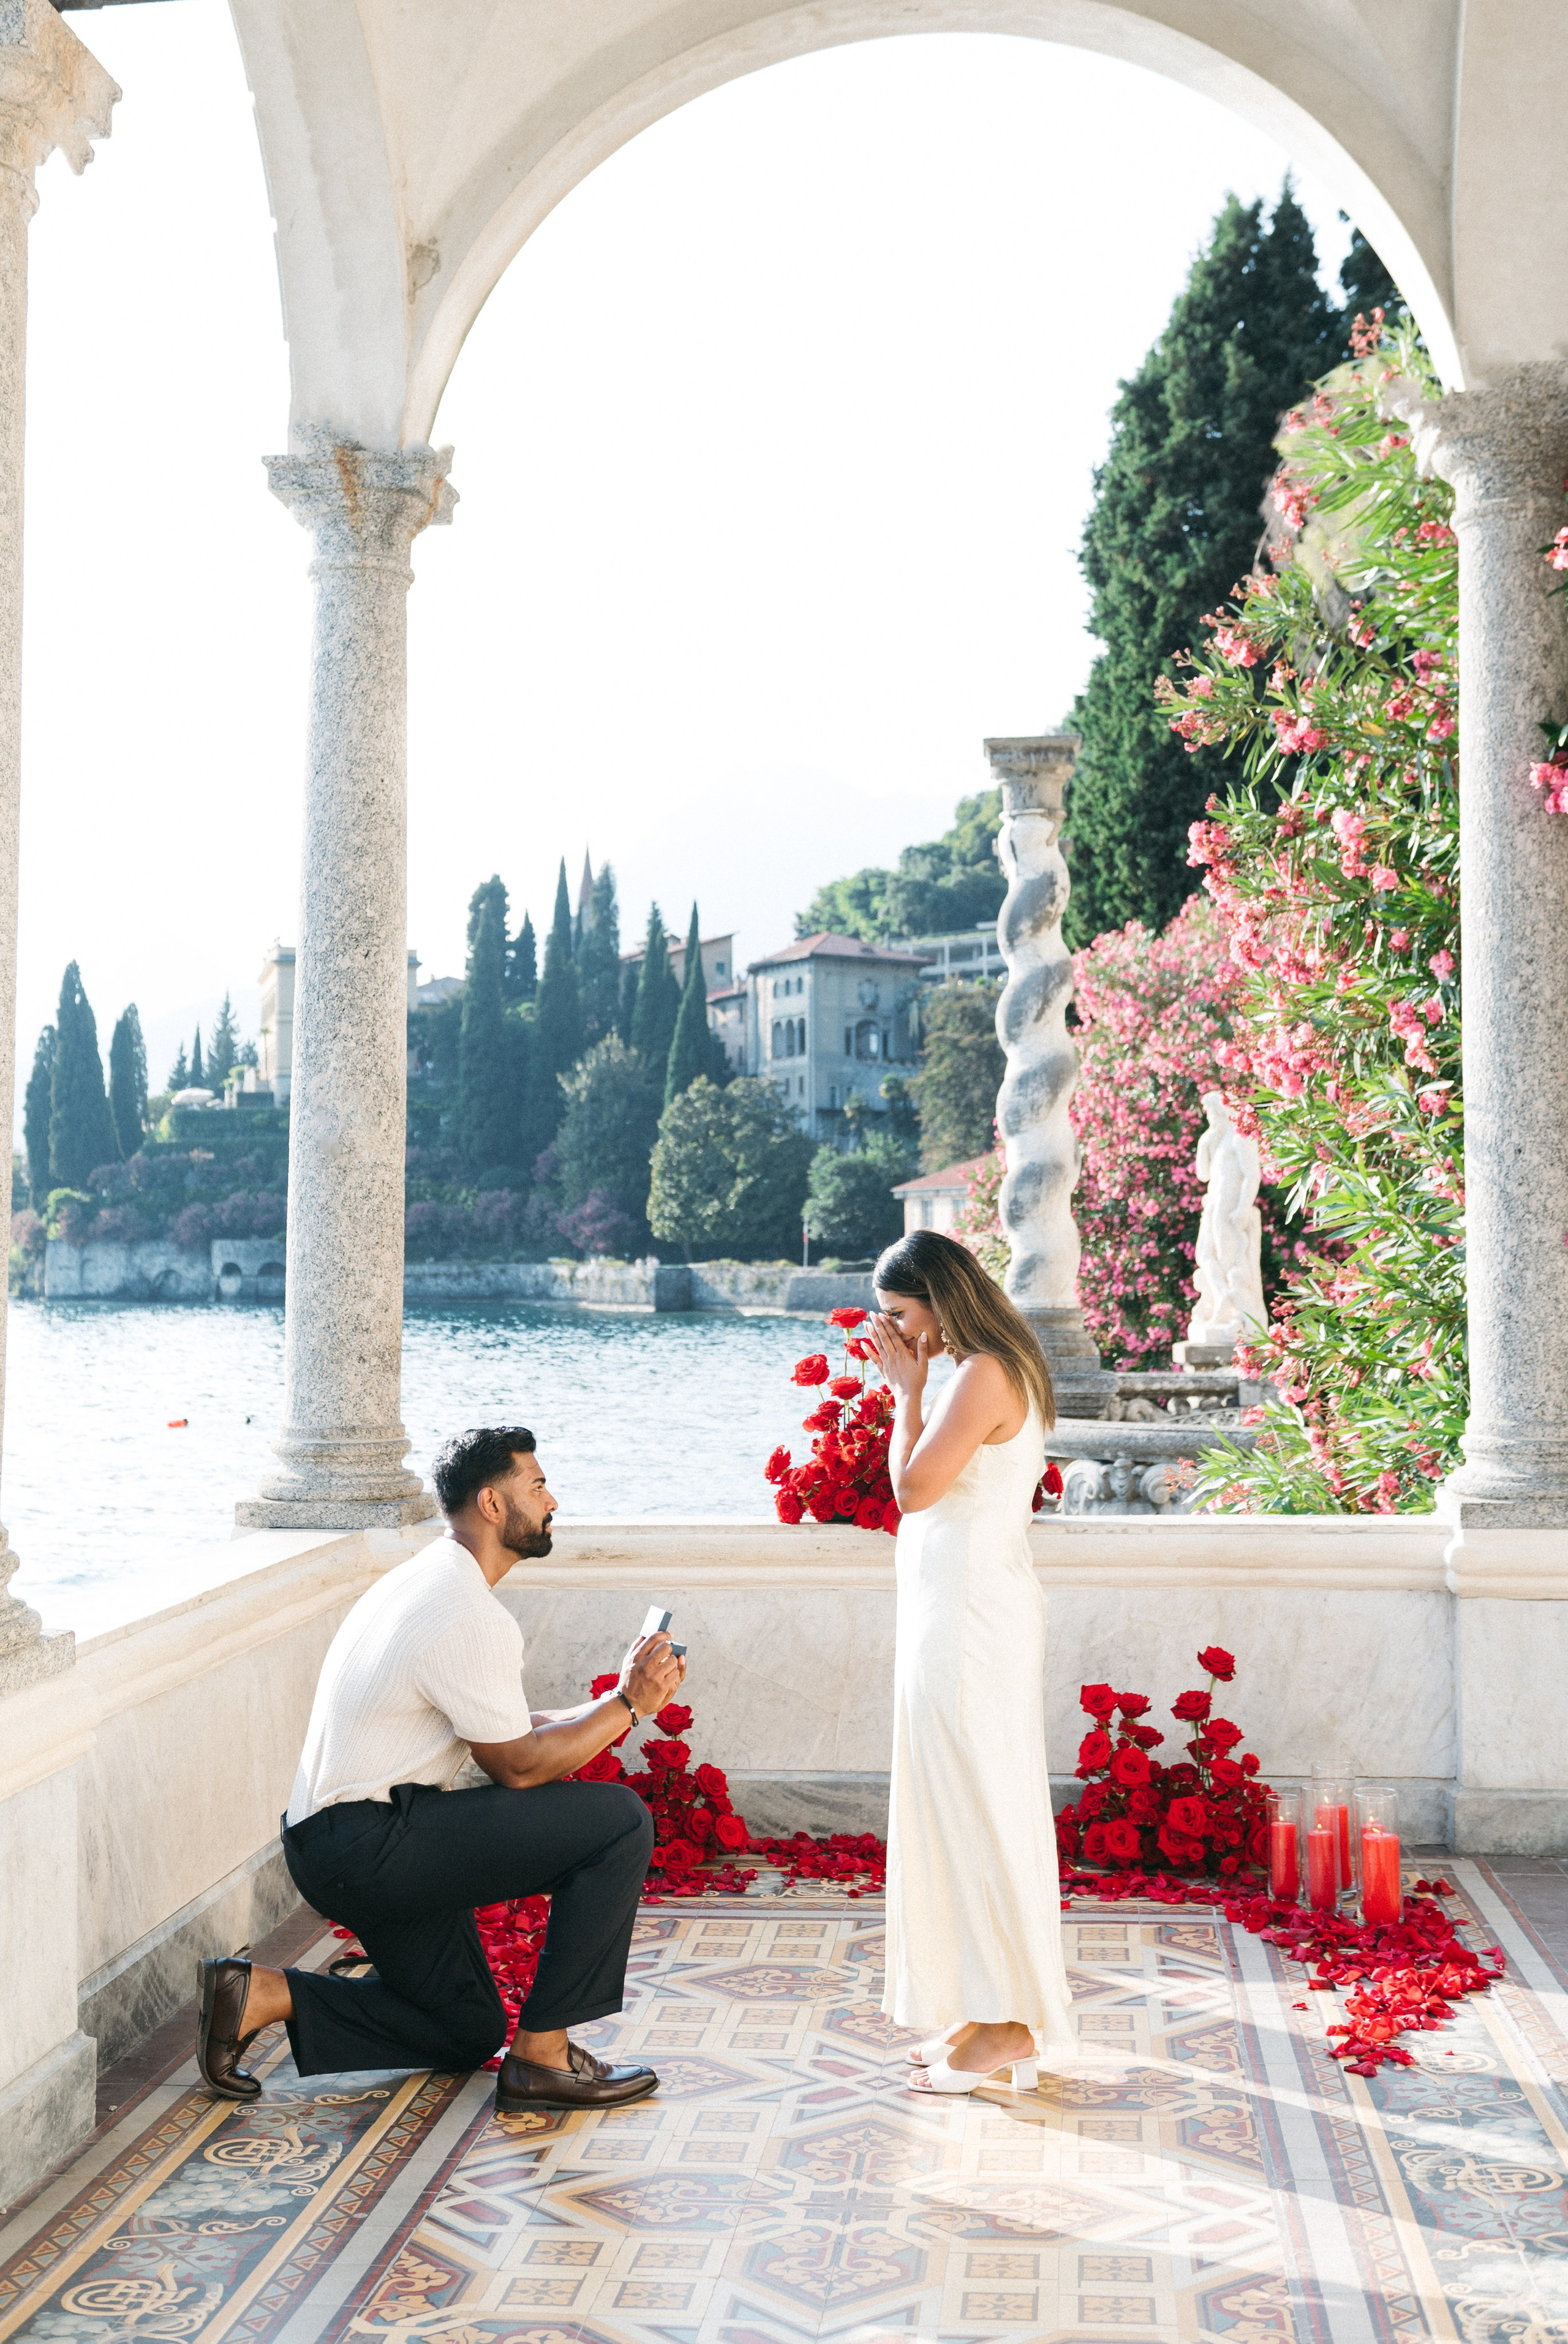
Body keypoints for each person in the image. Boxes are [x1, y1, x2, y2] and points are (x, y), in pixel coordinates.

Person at [195, 1425, 682, 2114]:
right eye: (537, 1485)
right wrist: (632, 1706)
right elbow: (516, 1765)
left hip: (340, 1842)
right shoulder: (463, 1608)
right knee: (618, 1821)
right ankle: (544, 2057)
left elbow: (509, 1726)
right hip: (367, 1844)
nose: (552, 1500)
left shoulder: (431, 1578)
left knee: (466, 2026)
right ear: (491, 1503)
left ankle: (261, 1992)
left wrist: (611, 1699)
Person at [867, 1230, 1076, 2094]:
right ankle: (984, 1999)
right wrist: (912, 1393)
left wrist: (905, 1393)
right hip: (954, 1609)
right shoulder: (982, 1367)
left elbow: (913, 1489)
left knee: (976, 1799)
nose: (896, 1333)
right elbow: (913, 1492)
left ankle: (1011, 2022)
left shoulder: (984, 1371)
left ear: (938, 1299)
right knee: (950, 1800)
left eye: (901, 1314)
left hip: (967, 1621)